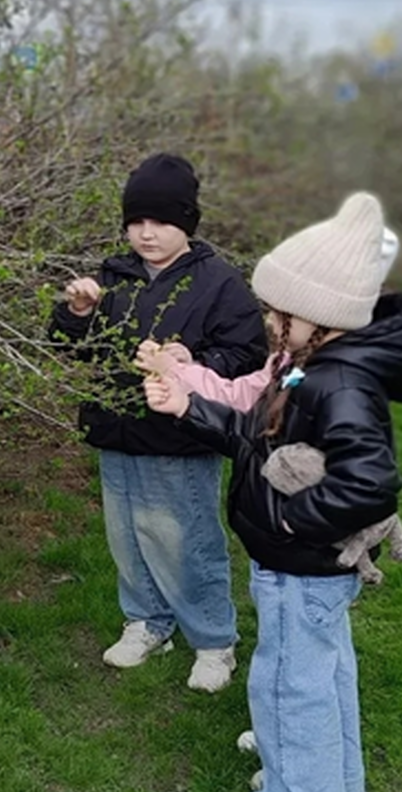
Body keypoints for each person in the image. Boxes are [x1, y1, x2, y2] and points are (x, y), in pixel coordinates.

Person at [144, 192, 402, 792]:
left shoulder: (339, 385)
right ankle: (335, 784)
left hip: (301, 566)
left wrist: (287, 521)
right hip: (306, 566)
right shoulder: (307, 368)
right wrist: (188, 408)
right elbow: (257, 437)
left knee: (288, 681)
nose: (271, 321)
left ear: (322, 317)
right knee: (322, 673)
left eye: (282, 312)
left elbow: (372, 486)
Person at [50, 153, 268, 692]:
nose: (146, 233)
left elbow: (247, 356)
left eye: (161, 221)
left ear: (187, 223)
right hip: (116, 428)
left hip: (181, 434)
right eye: (136, 221)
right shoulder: (112, 277)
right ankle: (147, 622)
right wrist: (76, 314)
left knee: (186, 540)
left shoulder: (218, 282)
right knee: (127, 536)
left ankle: (214, 641)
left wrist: (192, 361)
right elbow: (70, 348)